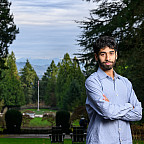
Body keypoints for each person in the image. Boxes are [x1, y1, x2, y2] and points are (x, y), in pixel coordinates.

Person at [85, 36, 142, 144]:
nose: (107, 58)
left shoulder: (125, 83)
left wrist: (111, 109)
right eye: (103, 54)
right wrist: (129, 106)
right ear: (96, 57)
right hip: (101, 141)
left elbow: (138, 114)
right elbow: (107, 113)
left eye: (111, 53)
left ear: (116, 55)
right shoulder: (92, 82)